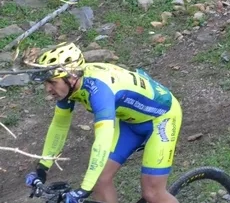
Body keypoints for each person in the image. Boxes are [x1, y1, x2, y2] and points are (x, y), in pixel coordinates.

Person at [24, 42, 182, 203]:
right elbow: (59, 126)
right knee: (99, 180)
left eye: (52, 82)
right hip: (129, 122)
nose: (48, 89)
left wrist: (84, 189)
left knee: (152, 193)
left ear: (71, 77)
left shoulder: (100, 90)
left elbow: (102, 140)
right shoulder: (70, 86)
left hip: (162, 118)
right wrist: (42, 168)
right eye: (46, 83)